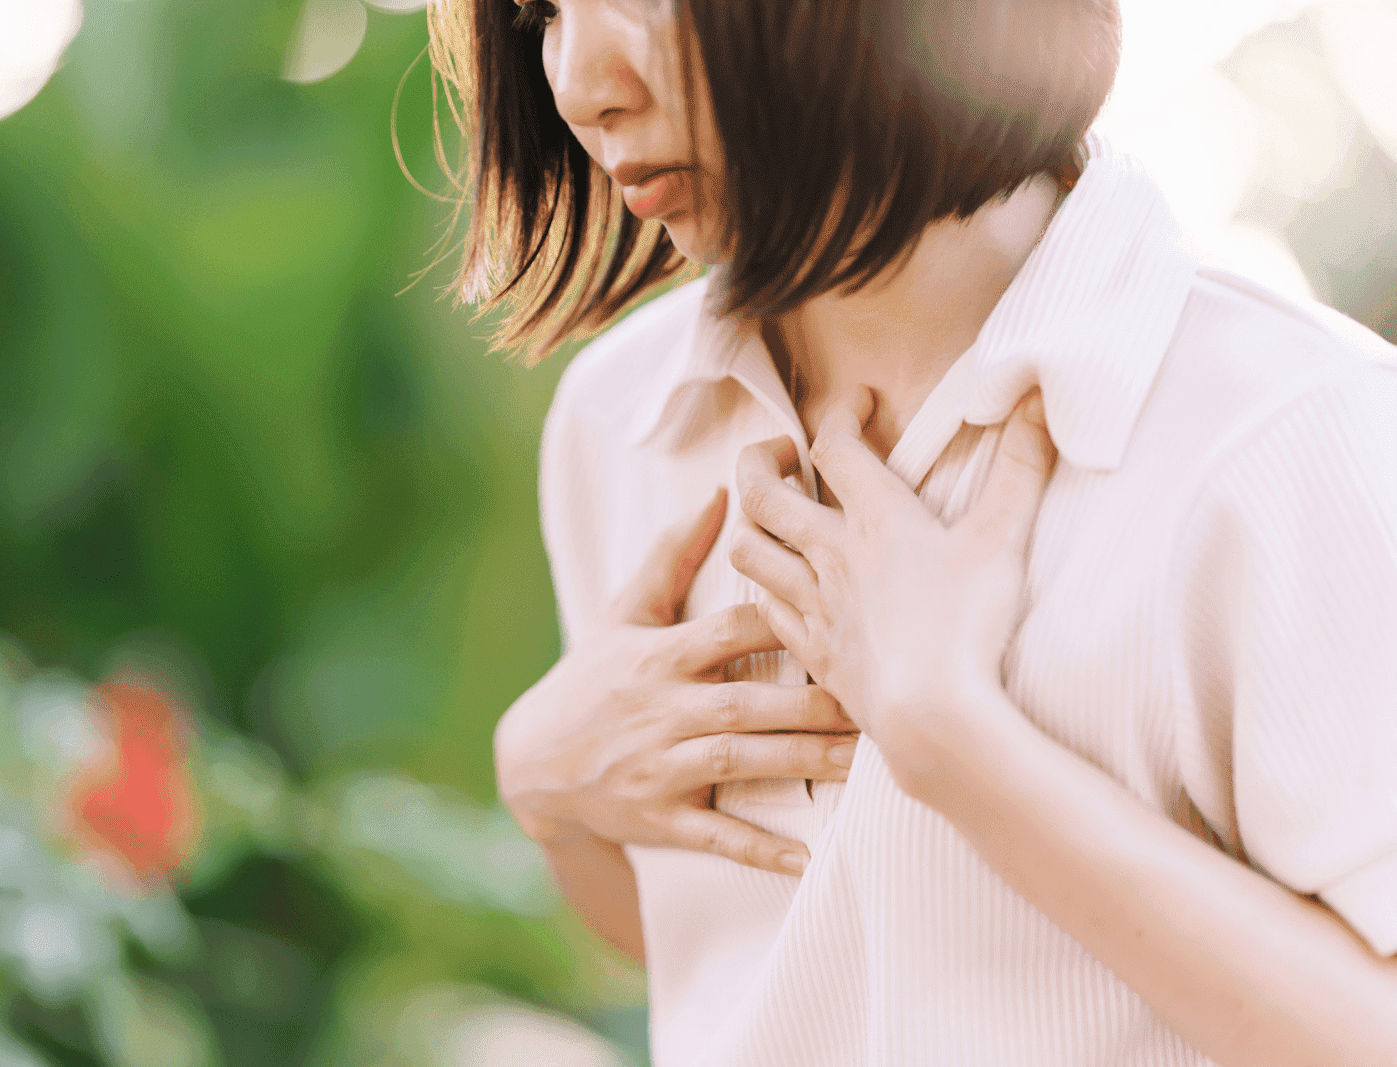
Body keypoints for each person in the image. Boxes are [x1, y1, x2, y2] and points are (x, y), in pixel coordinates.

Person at [429, 1, 1397, 1064]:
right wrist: (549, 793)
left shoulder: (1289, 434)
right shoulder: (621, 421)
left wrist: (954, 739)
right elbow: (747, 957)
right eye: (540, 10)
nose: (578, 82)